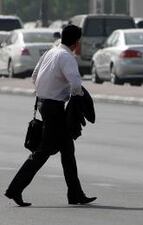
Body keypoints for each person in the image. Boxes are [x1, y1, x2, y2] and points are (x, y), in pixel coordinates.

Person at [4, 25, 96, 207]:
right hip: (54, 108)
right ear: (76, 43)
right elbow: (76, 84)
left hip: (44, 104)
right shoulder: (67, 57)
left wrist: (48, 90)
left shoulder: (51, 52)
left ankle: (75, 194)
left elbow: (34, 76)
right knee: (43, 152)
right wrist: (76, 99)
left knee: (67, 151)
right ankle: (14, 189)